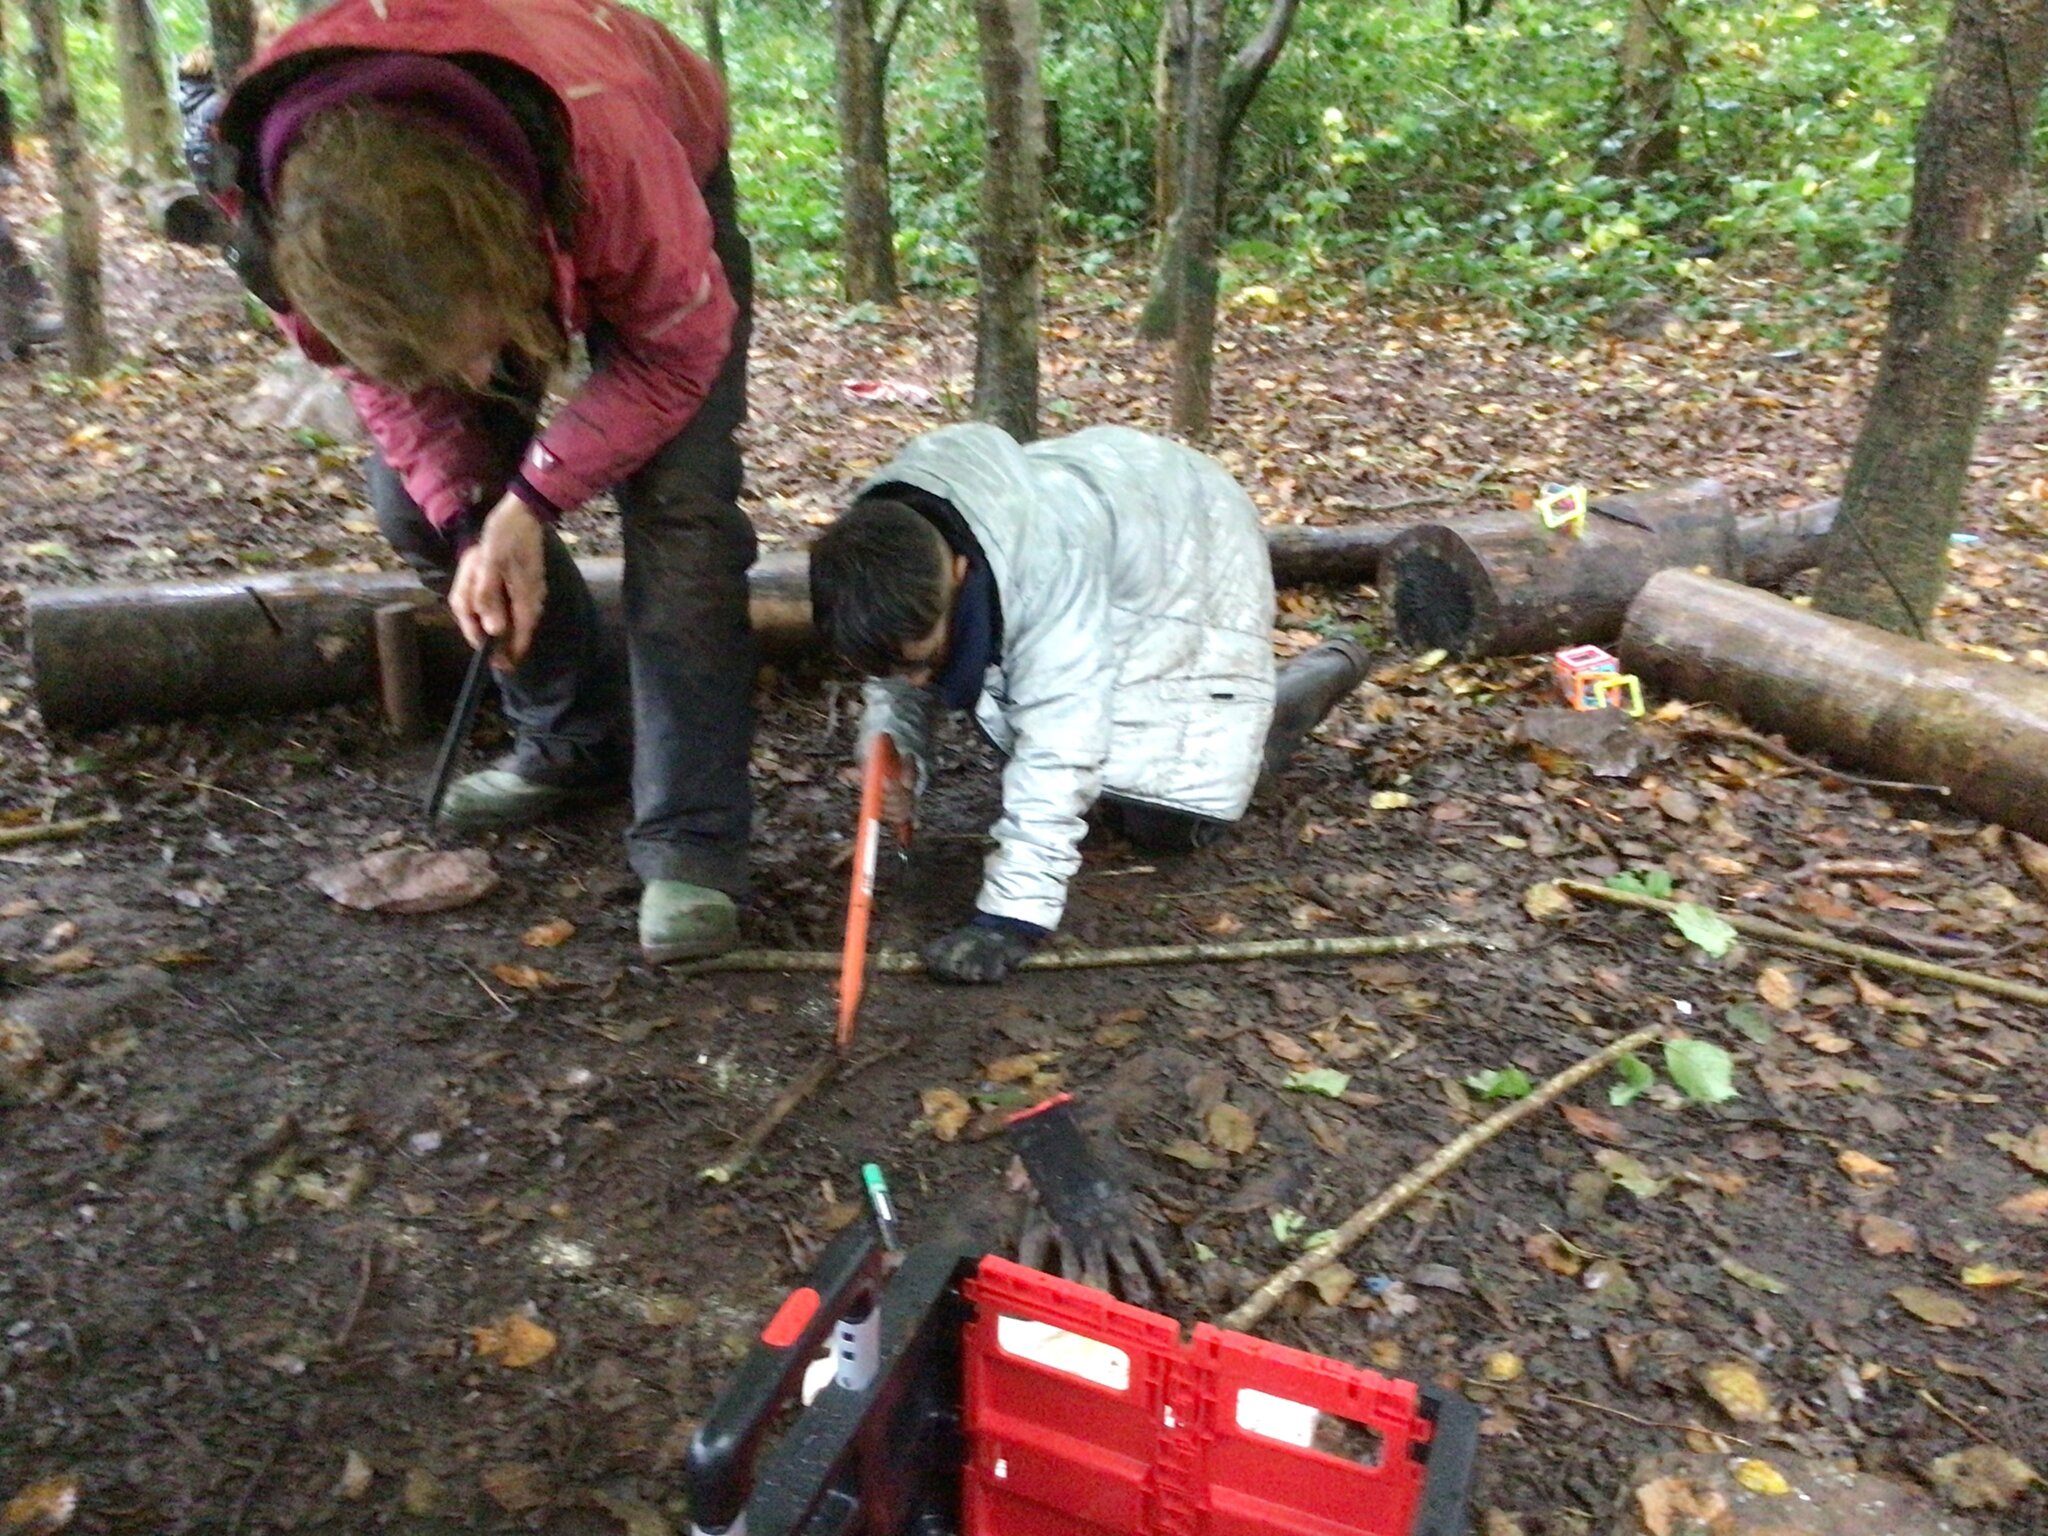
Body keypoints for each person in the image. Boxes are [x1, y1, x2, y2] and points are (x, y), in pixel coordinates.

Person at [200, 0, 758, 963]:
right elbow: (383, 383)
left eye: (483, 350)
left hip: (642, 184)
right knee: (417, 508)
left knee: (682, 517)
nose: (474, 382)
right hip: (468, 237)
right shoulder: (287, 223)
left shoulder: (608, 145)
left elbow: (673, 357)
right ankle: (574, 743)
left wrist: (533, 500)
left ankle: (692, 841)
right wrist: (477, 523)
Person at [808, 422, 1369, 984]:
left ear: (960, 574)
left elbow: (1061, 738)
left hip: (1191, 538)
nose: (915, 678)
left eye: (921, 659)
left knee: (1169, 821)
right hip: (1113, 514)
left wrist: (1010, 918)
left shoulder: (1048, 566)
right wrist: (897, 748)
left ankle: (1306, 685)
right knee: (1087, 760)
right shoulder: (885, 546)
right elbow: (898, 671)